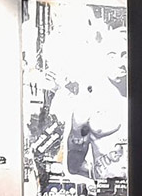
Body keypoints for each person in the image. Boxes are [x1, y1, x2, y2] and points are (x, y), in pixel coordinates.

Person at [52, 26, 128, 182]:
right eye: (112, 55)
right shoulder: (87, 107)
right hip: (109, 188)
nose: (120, 63)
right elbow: (74, 166)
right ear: (103, 59)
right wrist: (100, 175)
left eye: (125, 55)